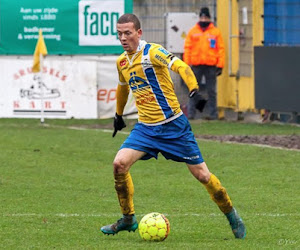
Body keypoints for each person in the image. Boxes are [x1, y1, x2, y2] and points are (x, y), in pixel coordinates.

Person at [100, 13, 246, 239]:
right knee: (119, 164)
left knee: (203, 176)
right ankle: (128, 219)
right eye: (119, 34)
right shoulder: (121, 62)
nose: (123, 38)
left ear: (139, 33)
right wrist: (118, 115)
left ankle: (231, 214)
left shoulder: (153, 52)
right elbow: (123, 88)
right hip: (146, 129)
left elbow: (181, 66)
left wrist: (194, 89)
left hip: (173, 127)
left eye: (127, 33)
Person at [183, 7, 225, 120]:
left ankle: (213, 114)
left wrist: (220, 65)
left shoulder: (215, 32)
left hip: (211, 65)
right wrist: (186, 65)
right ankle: (191, 114)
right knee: (193, 89)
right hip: (196, 65)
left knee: (211, 91)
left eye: (206, 17)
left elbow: (221, 49)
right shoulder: (193, 31)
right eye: (202, 17)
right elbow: (187, 48)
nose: (204, 19)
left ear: (209, 18)